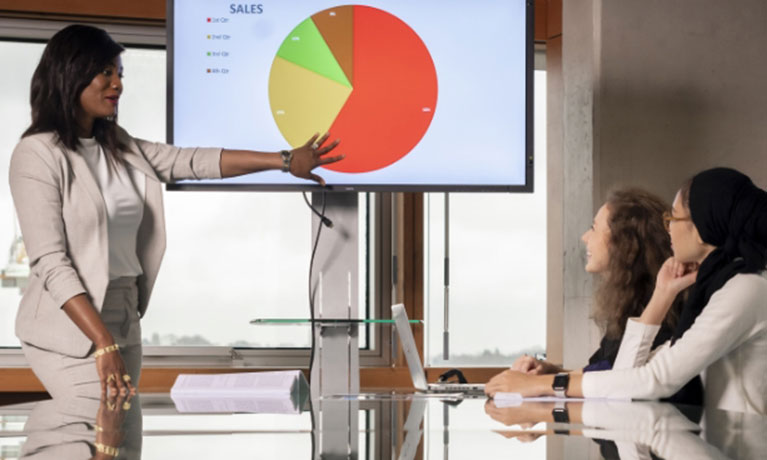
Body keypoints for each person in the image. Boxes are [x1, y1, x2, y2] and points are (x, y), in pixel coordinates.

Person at [9, 24, 343, 399]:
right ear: (70, 72)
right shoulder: (37, 154)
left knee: (123, 440)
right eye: (106, 71)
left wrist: (284, 161)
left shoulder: (118, 145)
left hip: (124, 309)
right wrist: (102, 341)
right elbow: (51, 261)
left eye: (120, 73)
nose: (117, 83)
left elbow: (193, 161)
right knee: (90, 428)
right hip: (69, 324)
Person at [485, 168, 767, 414]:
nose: (667, 229)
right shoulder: (714, 286)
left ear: (703, 226)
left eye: (674, 219)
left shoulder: (745, 289)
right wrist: (662, 292)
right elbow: (626, 378)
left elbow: (655, 379)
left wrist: (541, 385)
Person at [512, 188, 681, 376]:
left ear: (624, 243)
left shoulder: (659, 307)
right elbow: (600, 373)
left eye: (594, 228)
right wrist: (551, 372)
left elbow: (615, 379)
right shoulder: (630, 299)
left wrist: (536, 384)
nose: (585, 237)